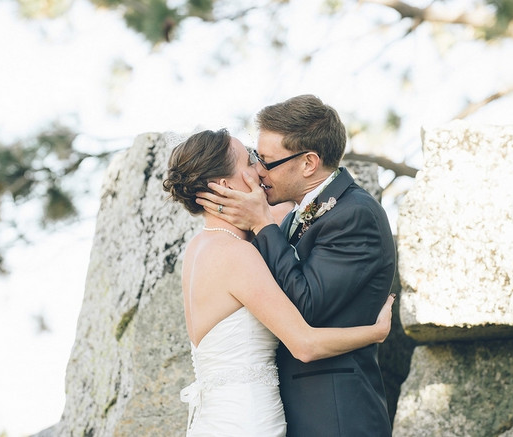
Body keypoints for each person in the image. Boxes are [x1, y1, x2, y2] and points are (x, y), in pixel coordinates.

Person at [163, 128, 395, 436]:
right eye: (249, 161)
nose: (259, 170)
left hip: (219, 418)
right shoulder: (237, 255)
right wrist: (374, 333)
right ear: (224, 186)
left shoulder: (199, 247)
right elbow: (304, 344)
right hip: (248, 421)